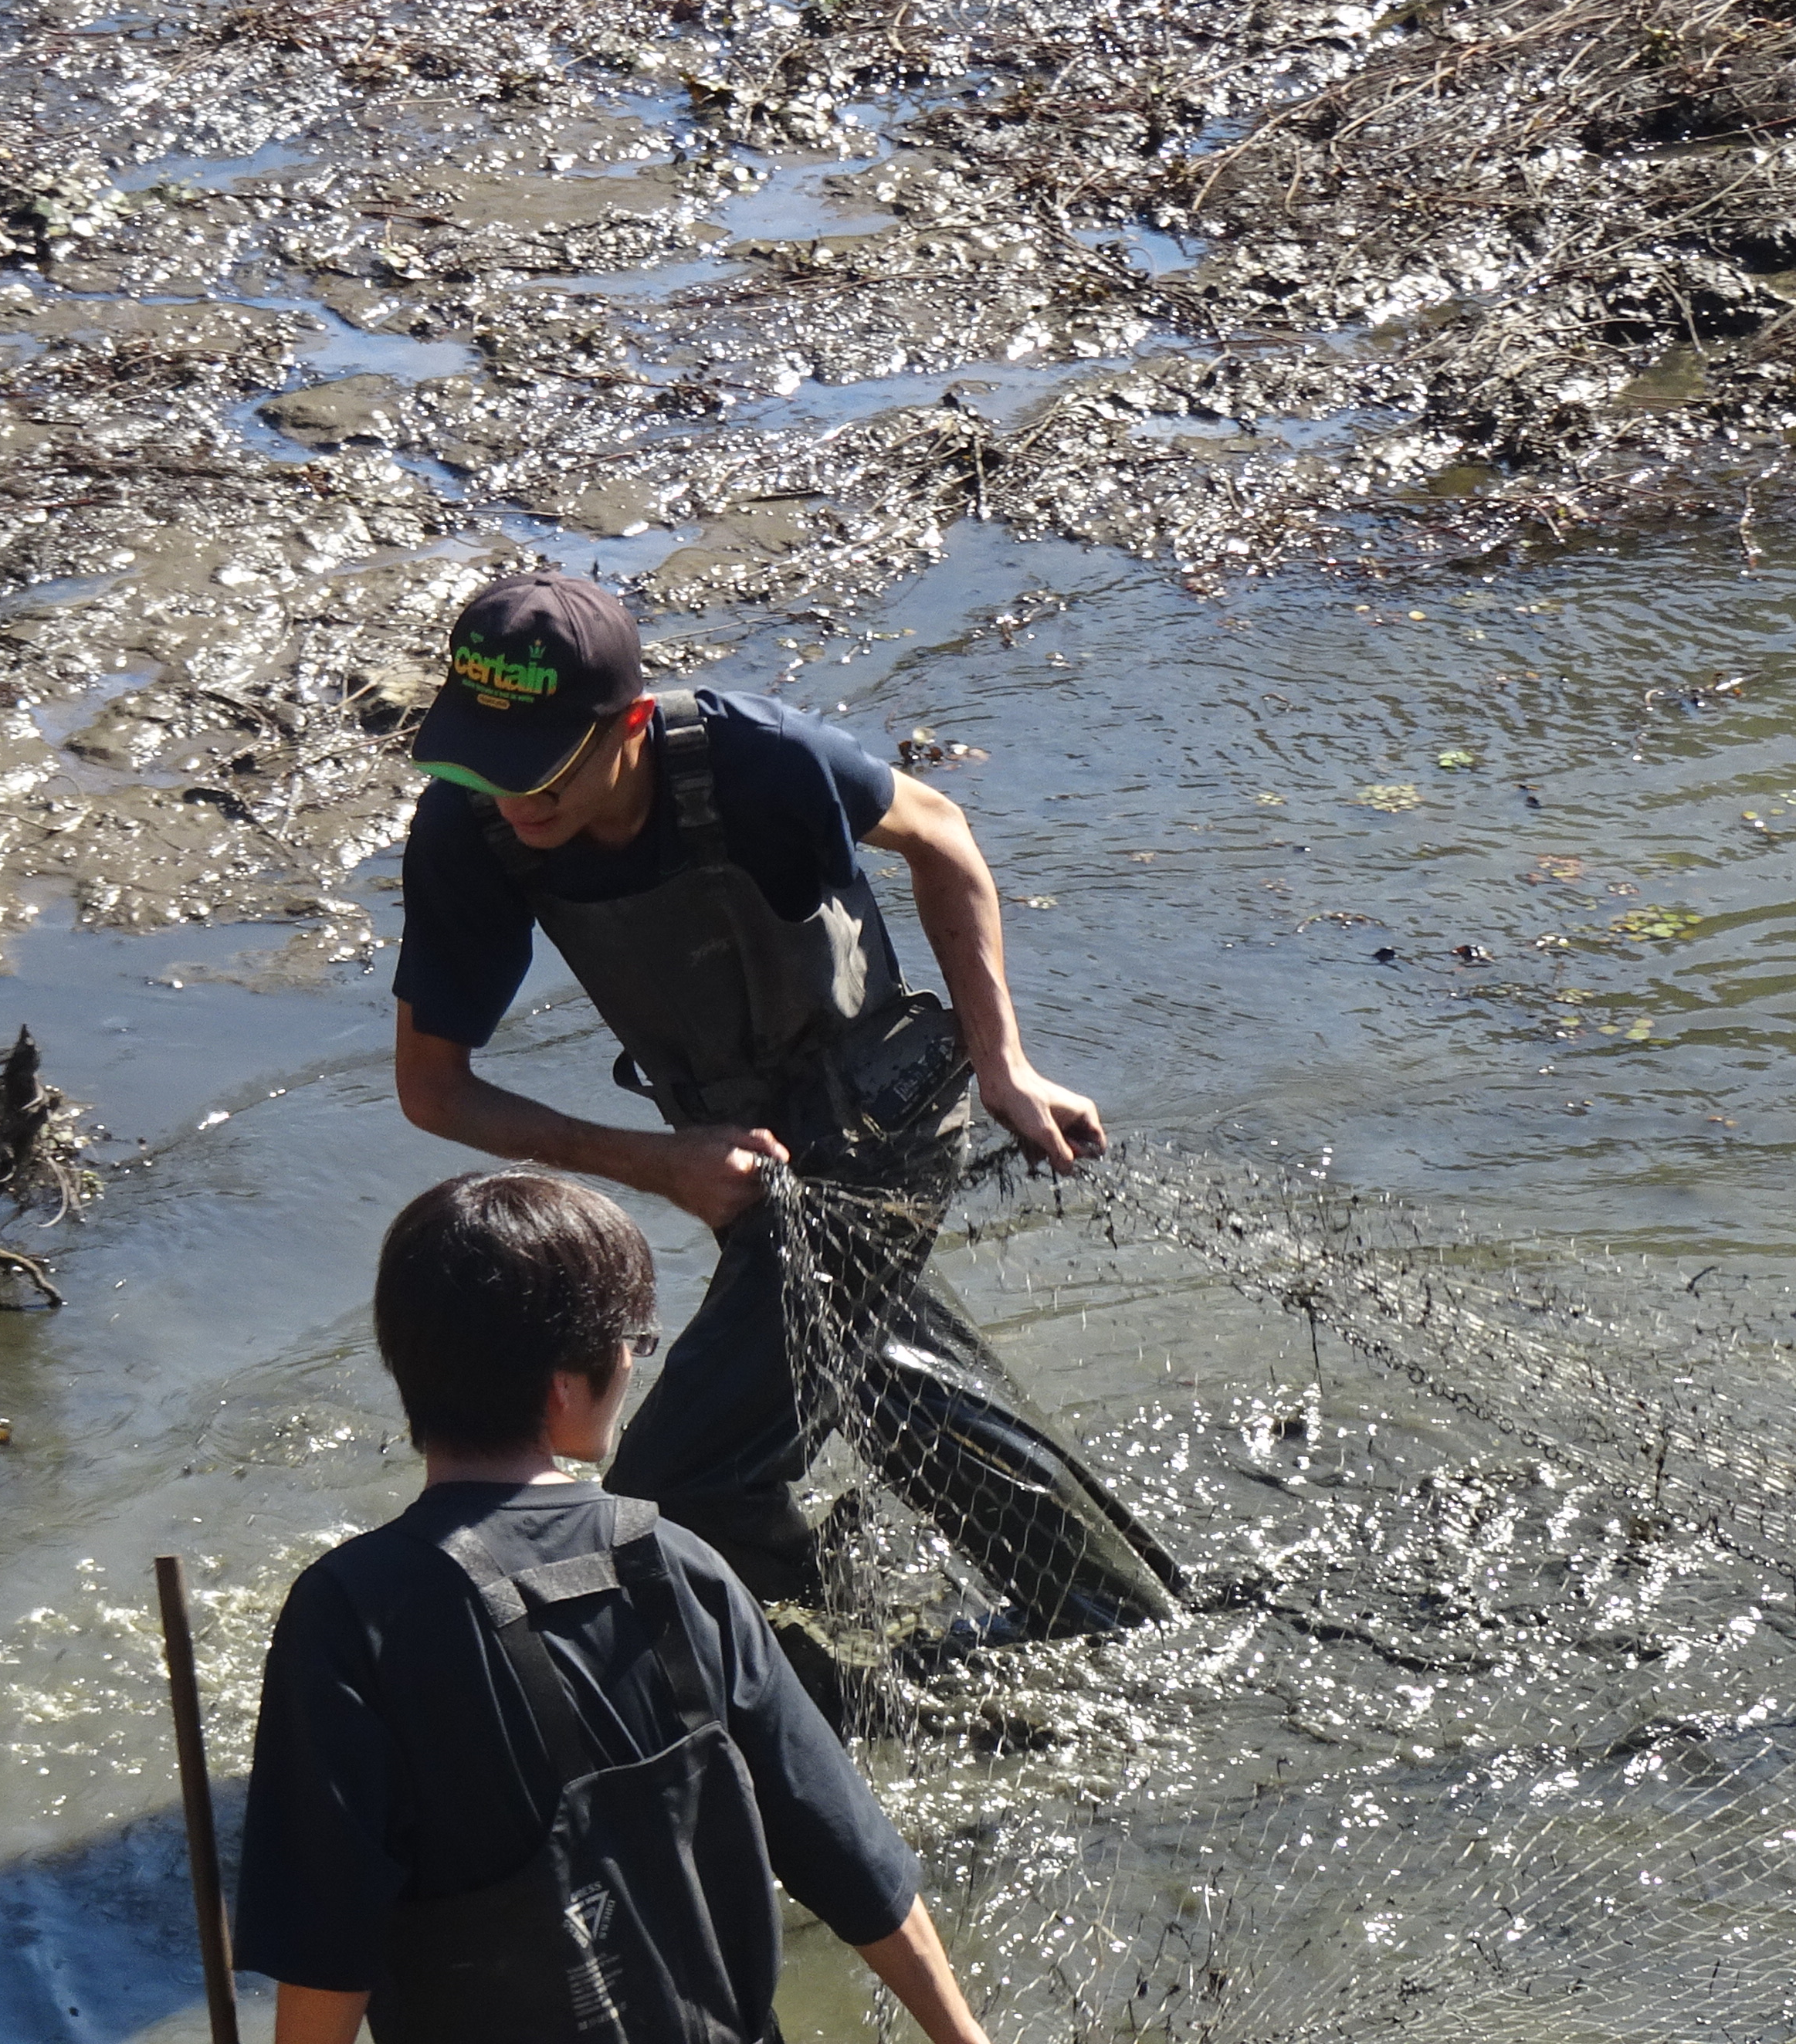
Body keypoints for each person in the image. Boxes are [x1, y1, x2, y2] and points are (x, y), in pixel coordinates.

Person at [385, 568, 1180, 1633]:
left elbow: (940, 831)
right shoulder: (471, 830)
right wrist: (658, 1164)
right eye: (483, 763)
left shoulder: (755, 755)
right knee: (893, 1385)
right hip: (739, 1156)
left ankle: (831, 1676)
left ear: (627, 724)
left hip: (887, 1114)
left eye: (542, 769)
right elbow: (434, 1090)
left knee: (683, 1478)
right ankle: (1115, 1613)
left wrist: (1006, 1065)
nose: (515, 798)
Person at [234, 1169, 995, 2044]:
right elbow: (852, 1861)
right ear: (563, 1382)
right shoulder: (680, 1568)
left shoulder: (349, 1616)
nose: (634, 1362)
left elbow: (327, 1953)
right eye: (633, 1340)